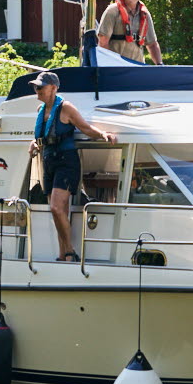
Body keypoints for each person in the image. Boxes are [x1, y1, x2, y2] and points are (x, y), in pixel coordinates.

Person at [28, 70, 112, 263]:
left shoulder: (66, 108)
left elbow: (85, 128)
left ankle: (70, 251)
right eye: (36, 87)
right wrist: (33, 144)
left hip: (66, 161)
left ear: (54, 88)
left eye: (41, 87)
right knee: (59, 212)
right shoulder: (41, 111)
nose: (37, 90)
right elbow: (41, 137)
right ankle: (62, 254)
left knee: (56, 208)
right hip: (48, 161)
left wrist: (103, 135)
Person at [96, 0, 162, 64]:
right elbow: (103, 43)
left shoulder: (144, 13)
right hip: (116, 66)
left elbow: (152, 44)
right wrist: (110, 65)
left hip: (137, 66)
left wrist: (160, 64)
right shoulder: (112, 11)